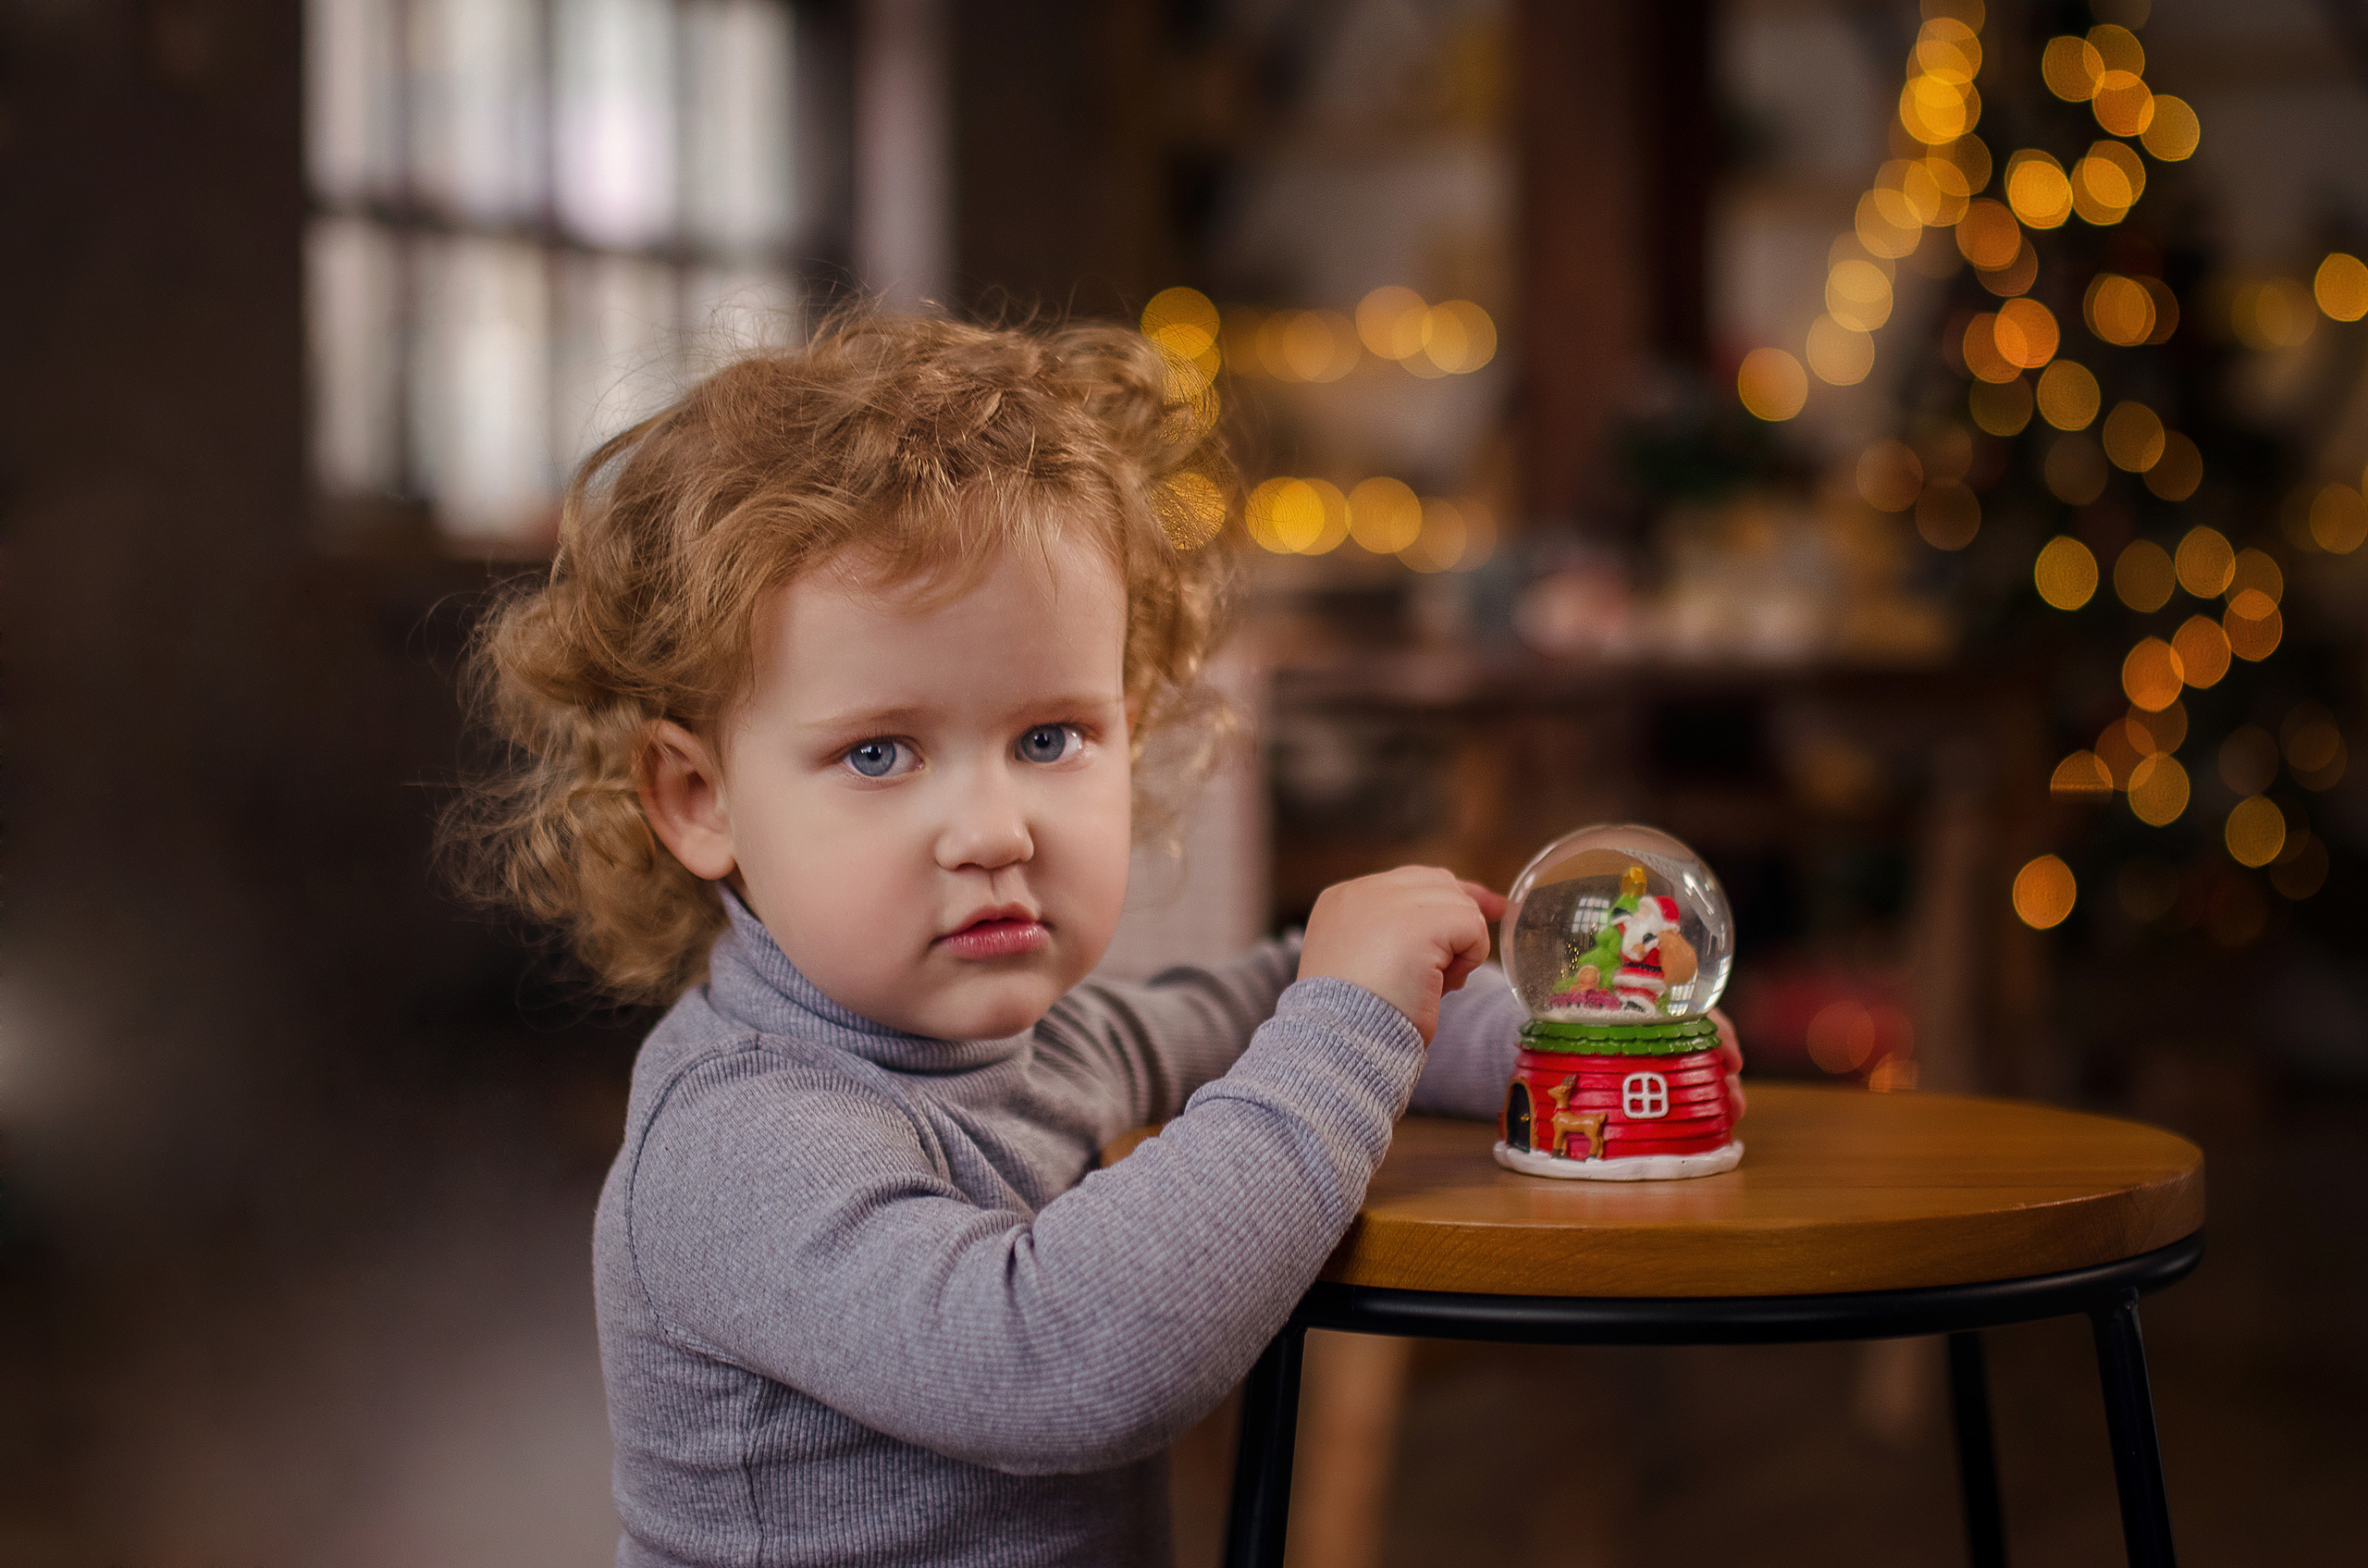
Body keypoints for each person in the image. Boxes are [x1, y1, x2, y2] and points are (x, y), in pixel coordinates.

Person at [450, 310, 1741, 1567]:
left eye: (1051, 737)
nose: (993, 830)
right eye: (881, 753)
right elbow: (1055, 1360)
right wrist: (1348, 1028)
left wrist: (1558, 1048)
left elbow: (1259, 1001)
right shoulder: (737, 1139)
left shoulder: (1054, 1044)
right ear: (699, 798)